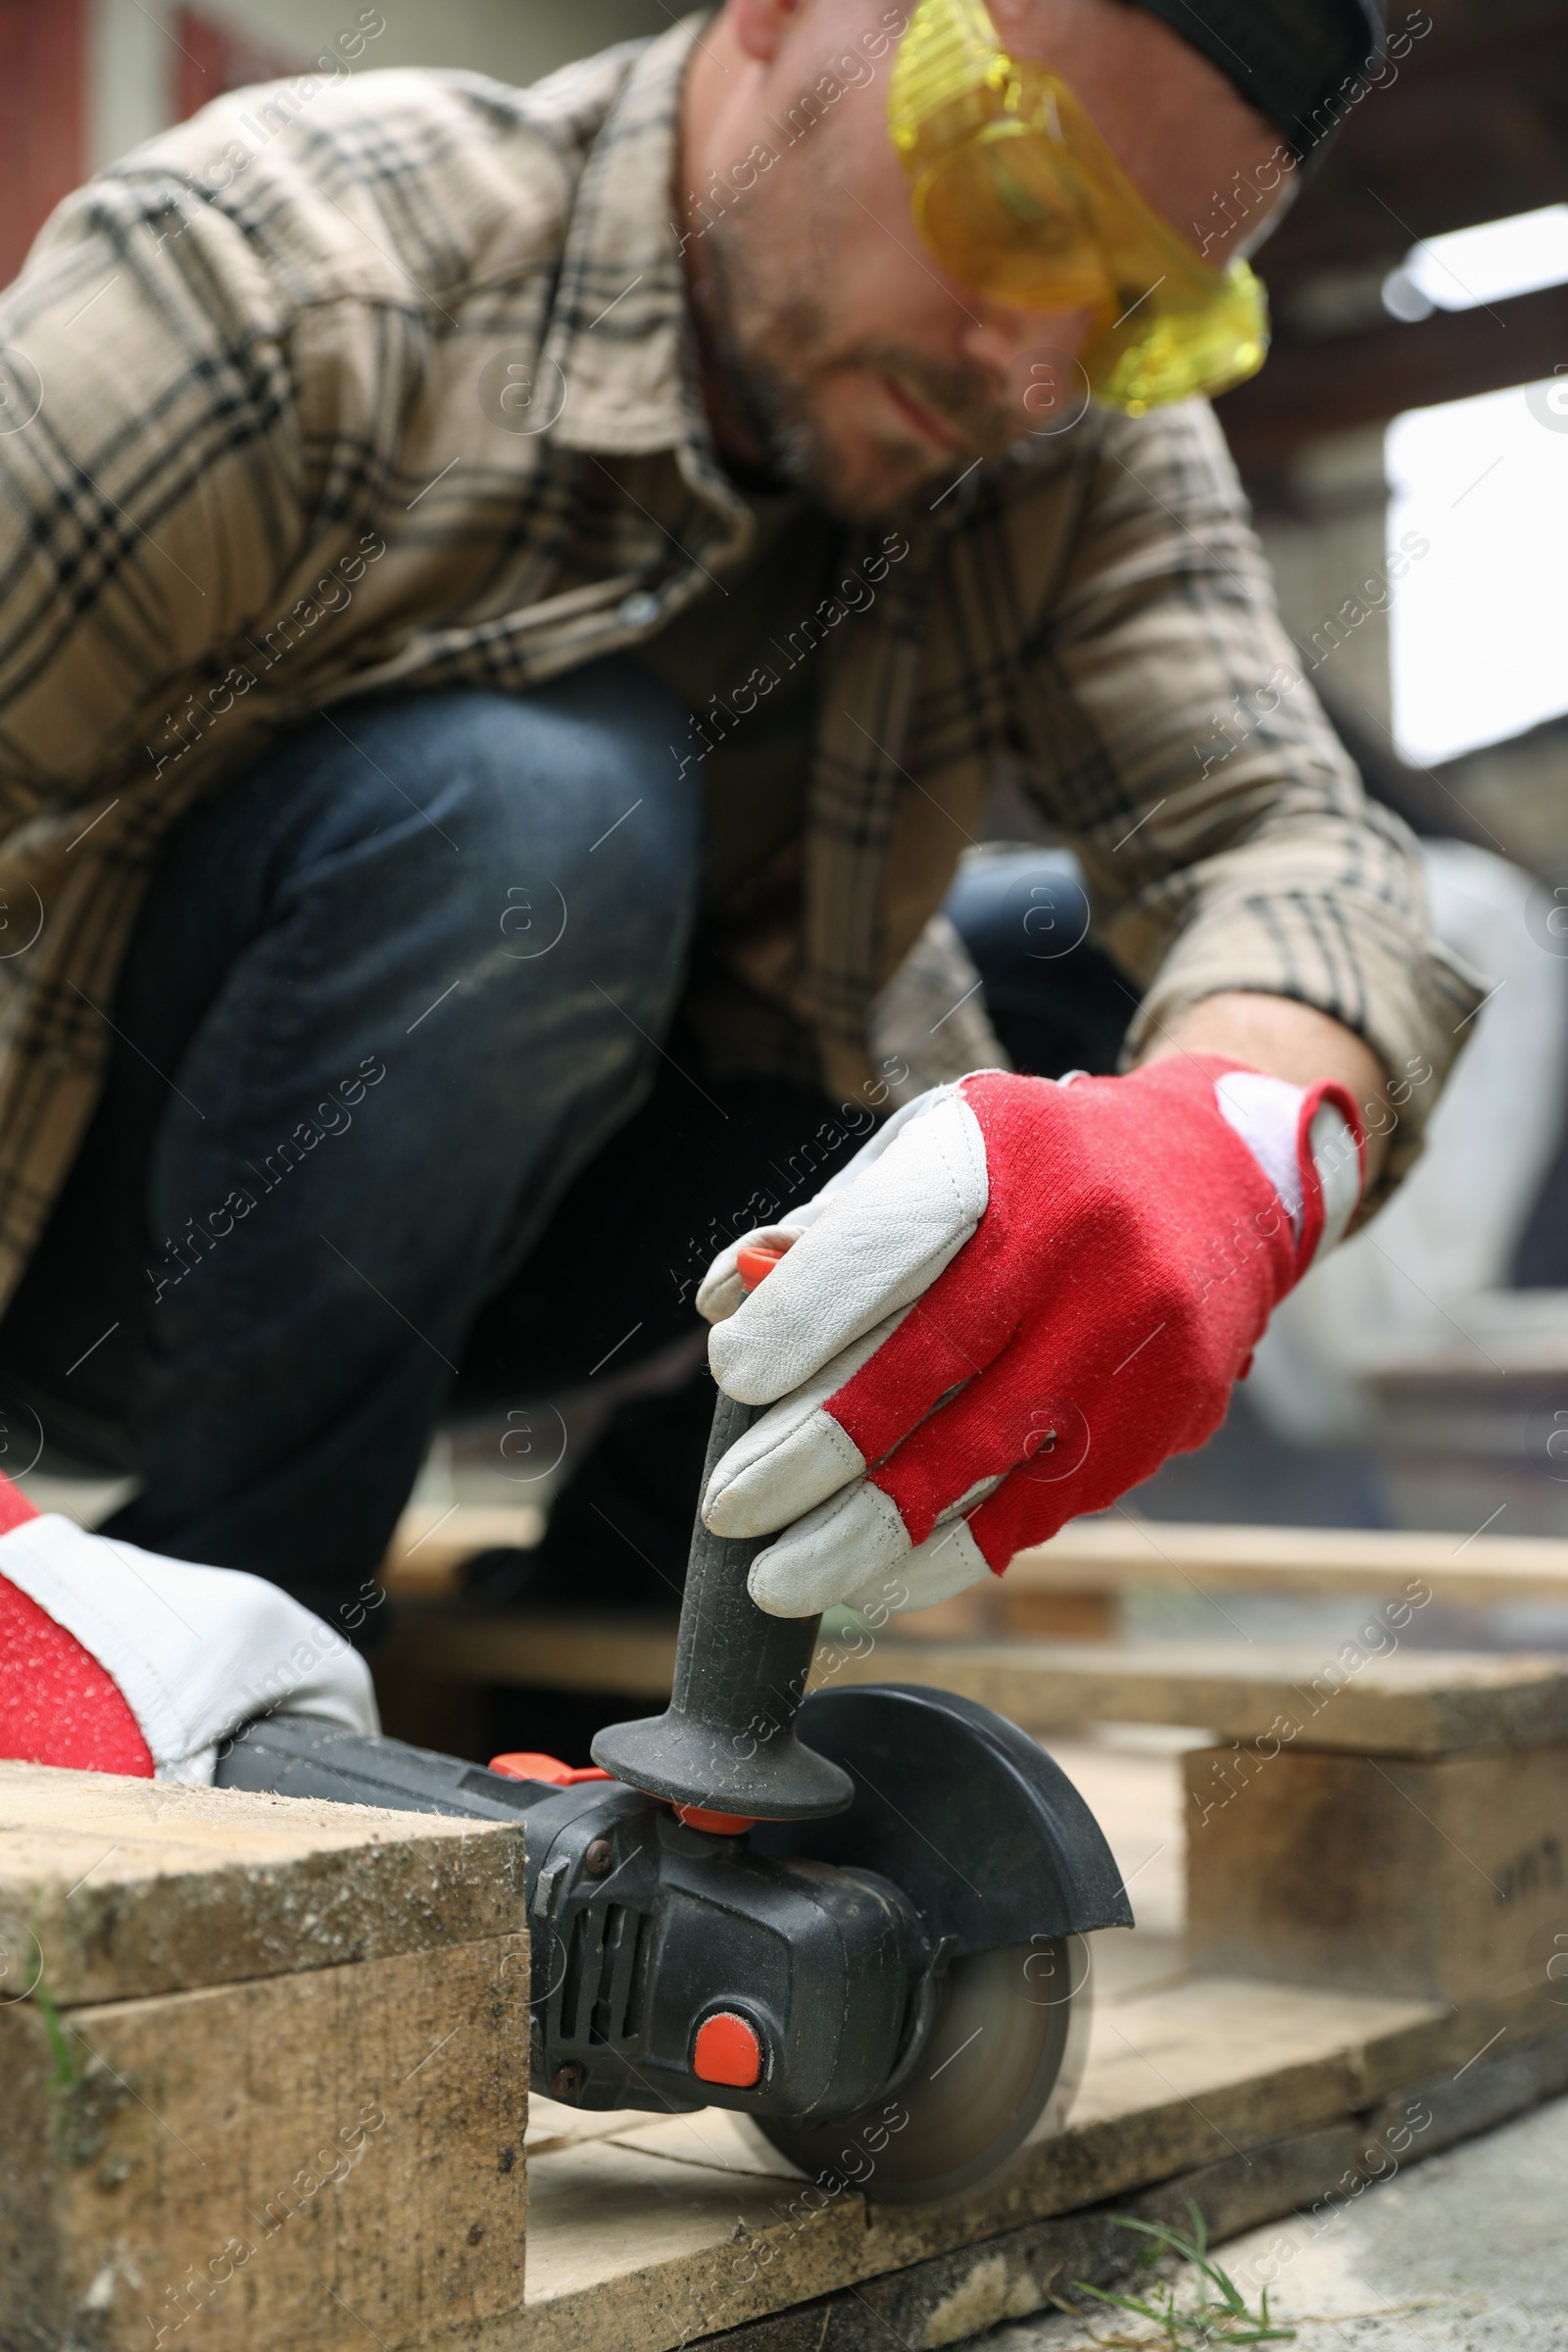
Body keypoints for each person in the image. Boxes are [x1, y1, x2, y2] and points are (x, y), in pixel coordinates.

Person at [0, 0, 1479, 1778]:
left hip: (490, 1272)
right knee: (536, 820)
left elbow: (1296, 853)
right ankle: (218, 1667)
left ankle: (622, 1668)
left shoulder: (1057, 447)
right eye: (1016, 196)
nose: (1033, 367)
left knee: (1034, 1066)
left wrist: (1227, 1155)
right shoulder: (280, 282)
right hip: (81, 1235)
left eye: (1138, 310)